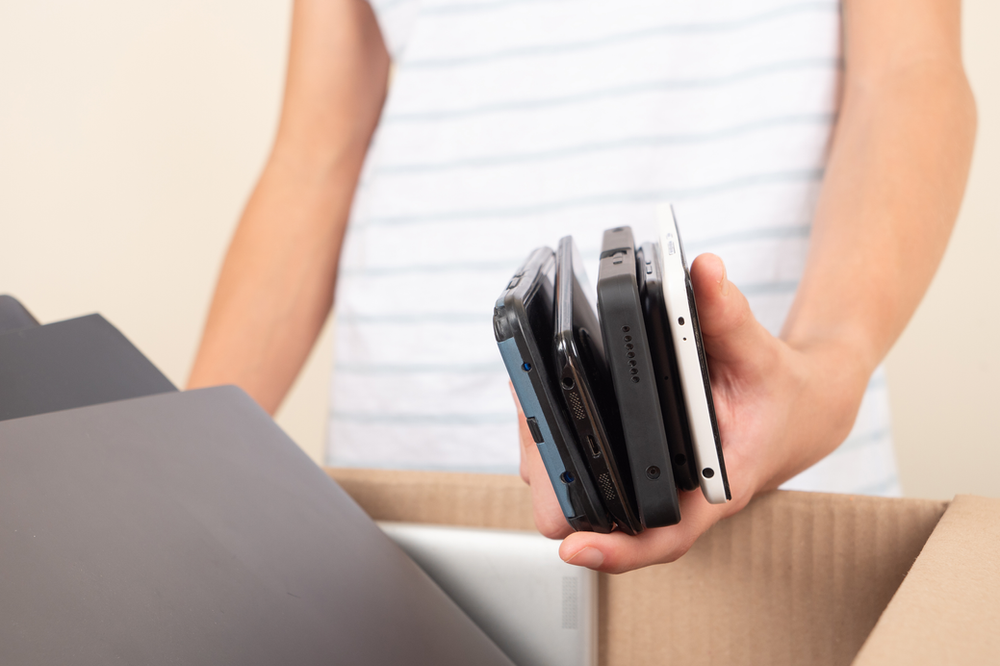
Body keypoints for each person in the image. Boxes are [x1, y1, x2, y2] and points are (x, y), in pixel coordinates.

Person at [188, 0, 976, 573]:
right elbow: (318, 149)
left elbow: (907, 74)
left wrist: (828, 366)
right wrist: (172, 456)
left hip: (764, 499)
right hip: (394, 516)